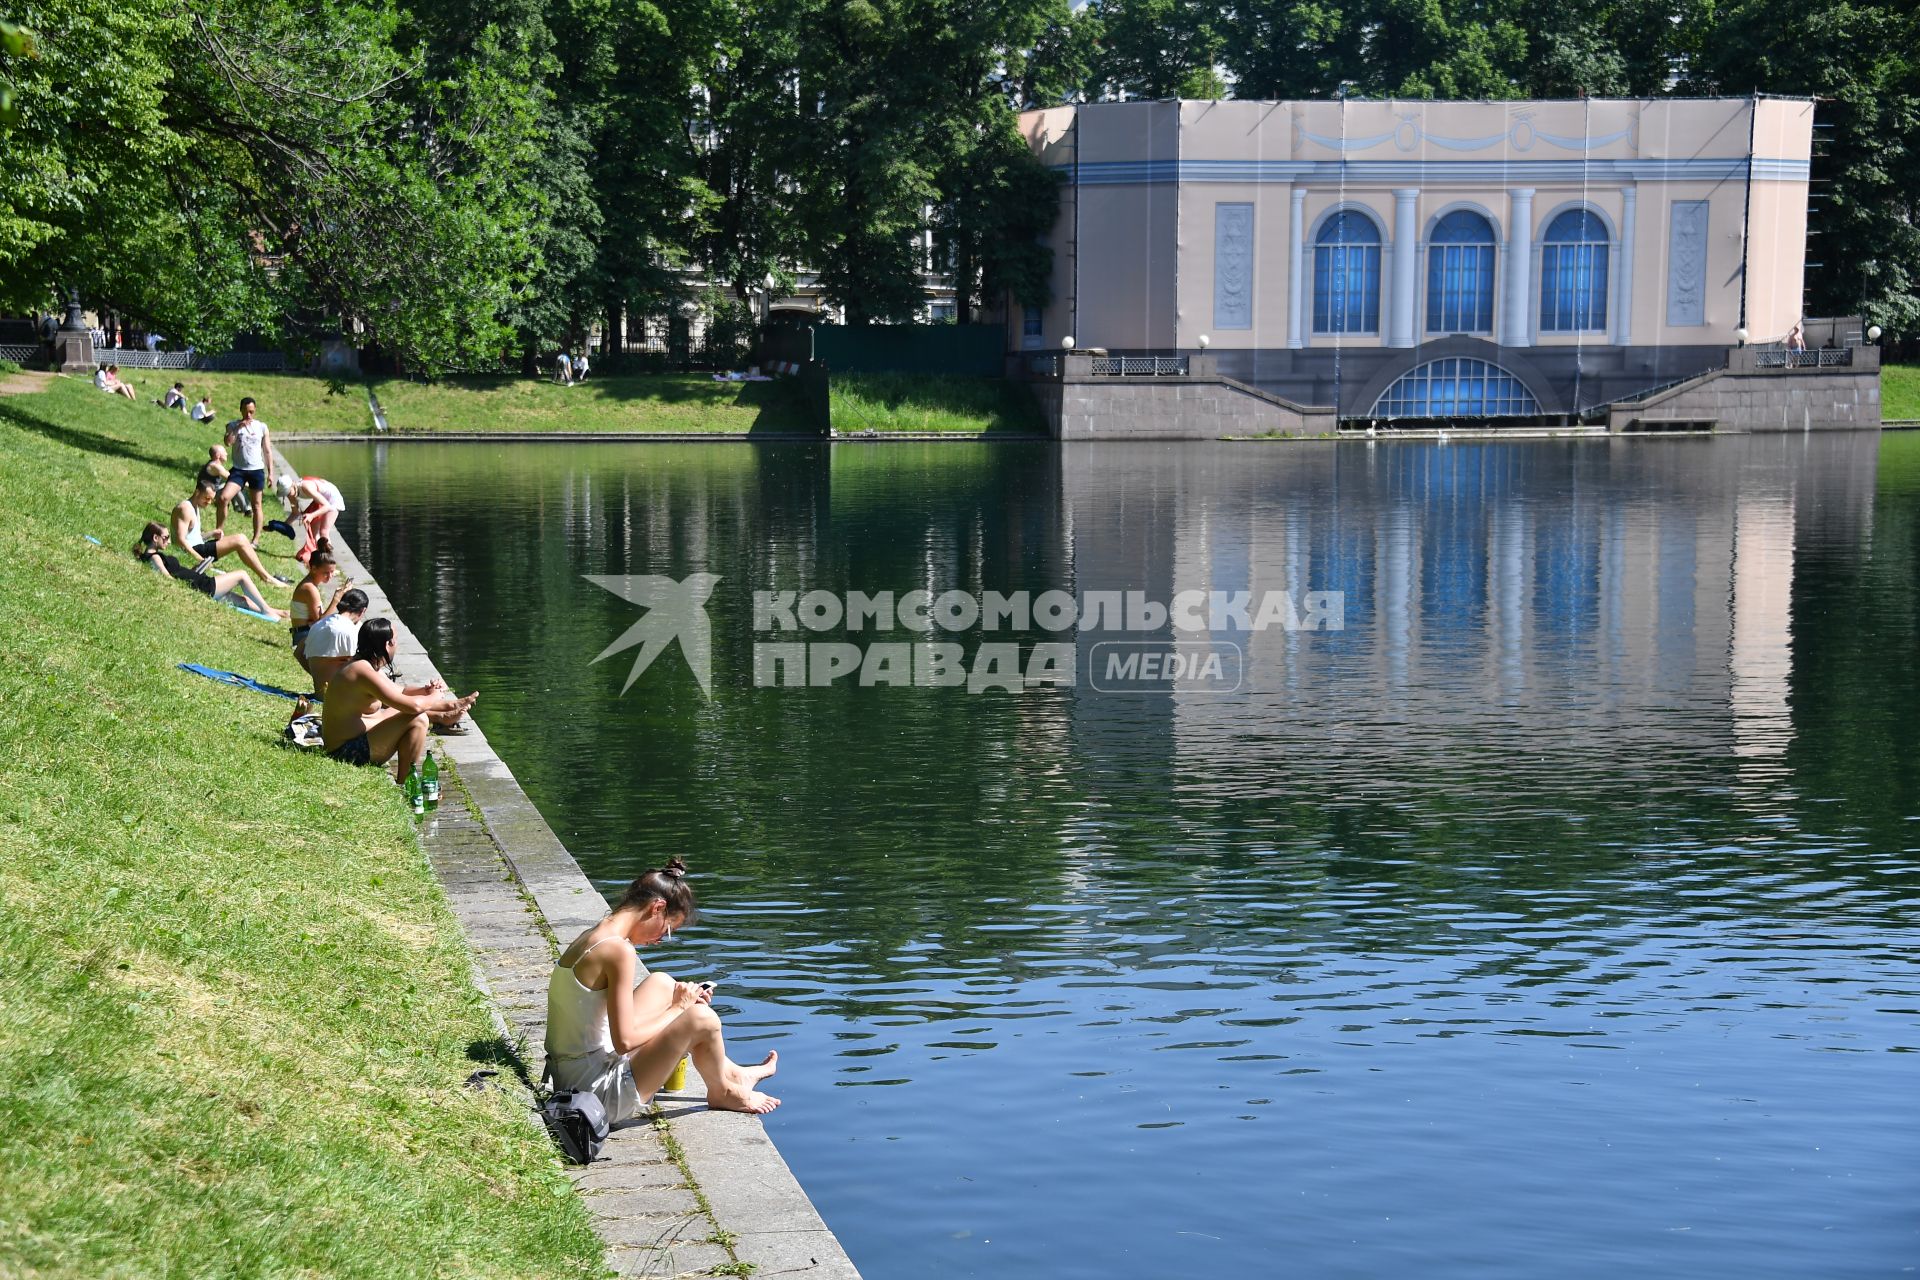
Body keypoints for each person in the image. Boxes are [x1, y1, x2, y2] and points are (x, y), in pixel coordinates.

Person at [547, 859, 780, 1121]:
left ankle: (733, 1074)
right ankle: (724, 1091)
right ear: (657, 907)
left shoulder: (597, 934)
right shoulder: (618, 950)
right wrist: (680, 1008)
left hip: (573, 1072)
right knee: (702, 1019)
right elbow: (624, 1042)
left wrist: (681, 1004)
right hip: (594, 1095)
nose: (659, 941)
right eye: (667, 930)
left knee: (662, 983)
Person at [318, 618, 476, 775]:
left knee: (403, 710)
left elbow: (399, 691)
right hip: (346, 752)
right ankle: (407, 782)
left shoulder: (364, 663)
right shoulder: (362, 670)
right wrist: (435, 695)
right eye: (396, 640)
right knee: (418, 718)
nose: (397, 644)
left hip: (353, 741)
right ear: (388, 645)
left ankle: (449, 708)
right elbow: (414, 706)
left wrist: (426, 690)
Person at [132, 522, 284, 619]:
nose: (169, 540)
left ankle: (278, 612)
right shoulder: (154, 557)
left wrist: (193, 571)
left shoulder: (153, 556)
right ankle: (268, 611)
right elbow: (167, 578)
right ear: (155, 537)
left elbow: (175, 573)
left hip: (198, 581)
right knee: (242, 575)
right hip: (202, 585)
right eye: (166, 537)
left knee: (245, 601)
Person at [170, 480, 291, 584]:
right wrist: (199, 559)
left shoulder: (194, 506)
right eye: (207, 498)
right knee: (240, 539)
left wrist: (212, 533)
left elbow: (192, 537)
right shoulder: (185, 509)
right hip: (195, 551)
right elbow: (181, 540)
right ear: (197, 492)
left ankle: (266, 576)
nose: (209, 502)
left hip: (198, 547)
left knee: (241, 540)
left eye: (211, 499)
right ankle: (266, 577)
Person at [289, 543, 351, 687]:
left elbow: (317, 621)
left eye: (332, 572)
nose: (329, 576)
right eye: (326, 573)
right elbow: (320, 623)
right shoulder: (309, 588)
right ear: (313, 568)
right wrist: (336, 599)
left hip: (306, 633)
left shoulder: (311, 586)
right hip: (303, 638)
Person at [224, 397, 274, 544]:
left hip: (256, 470)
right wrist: (238, 427)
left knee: (256, 505)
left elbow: (267, 450)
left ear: (255, 410)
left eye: (251, 412)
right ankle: (219, 532)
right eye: (246, 412)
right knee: (223, 498)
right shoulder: (232, 425)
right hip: (238, 470)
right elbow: (228, 442)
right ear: (240, 410)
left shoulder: (262, 427)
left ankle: (255, 539)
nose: (248, 415)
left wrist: (271, 473)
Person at [303, 587, 369, 695]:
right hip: (336, 696)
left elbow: (299, 652)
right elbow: (361, 668)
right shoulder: (348, 630)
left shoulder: (319, 624)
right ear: (363, 611)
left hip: (321, 692)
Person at [274, 473, 346, 565]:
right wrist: (283, 526)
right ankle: (319, 557)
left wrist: (311, 515)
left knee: (324, 531)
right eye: (285, 494)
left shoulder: (306, 487)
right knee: (312, 529)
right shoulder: (292, 493)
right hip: (321, 499)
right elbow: (295, 513)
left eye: (288, 492)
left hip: (332, 499)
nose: (288, 495)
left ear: (293, 485)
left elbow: (327, 506)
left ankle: (329, 561)